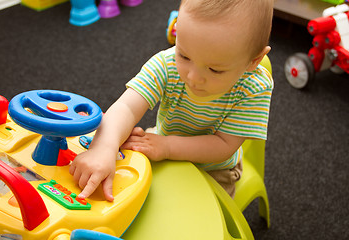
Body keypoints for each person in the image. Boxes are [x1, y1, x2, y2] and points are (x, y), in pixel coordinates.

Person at [69, 0, 274, 201]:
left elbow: (224, 145)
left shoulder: (254, 87)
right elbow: (126, 107)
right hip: (162, 140)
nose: (193, 77)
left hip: (214, 168)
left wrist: (167, 147)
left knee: (200, 218)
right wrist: (103, 148)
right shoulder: (166, 64)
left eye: (215, 69)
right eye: (184, 55)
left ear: (253, 61)